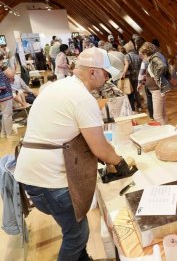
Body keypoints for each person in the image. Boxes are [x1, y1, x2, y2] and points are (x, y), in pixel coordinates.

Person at [14, 47, 132, 261]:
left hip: (32, 175)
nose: (106, 79)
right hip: (48, 180)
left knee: (73, 229)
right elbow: (100, 148)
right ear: (93, 72)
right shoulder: (81, 97)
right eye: (105, 74)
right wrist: (121, 163)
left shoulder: (57, 87)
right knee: (77, 236)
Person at [139, 42, 169, 125]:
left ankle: (164, 135)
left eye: (143, 54)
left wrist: (156, 76)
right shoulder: (156, 56)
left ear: (146, 52)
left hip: (157, 90)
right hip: (158, 89)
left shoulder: (153, 58)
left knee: (157, 116)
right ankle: (167, 132)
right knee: (162, 114)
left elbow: (162, 66)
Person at [121, 41, 142, 112]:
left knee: (131, 92)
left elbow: (126, 66)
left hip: (130, 76)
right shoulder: (138, 56)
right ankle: (139, 106)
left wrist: (123, 73)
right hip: (138, 75)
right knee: (137, 91)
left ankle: (132, 107)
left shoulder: (126, 56)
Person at [0, 65, 15, 139]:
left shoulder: (1, 71)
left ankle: (3, 133)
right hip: (5, 96)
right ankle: (9, 134)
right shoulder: (1, 72)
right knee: (7, 115)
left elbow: (11, 77)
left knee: (5, 115)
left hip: (5, 96)